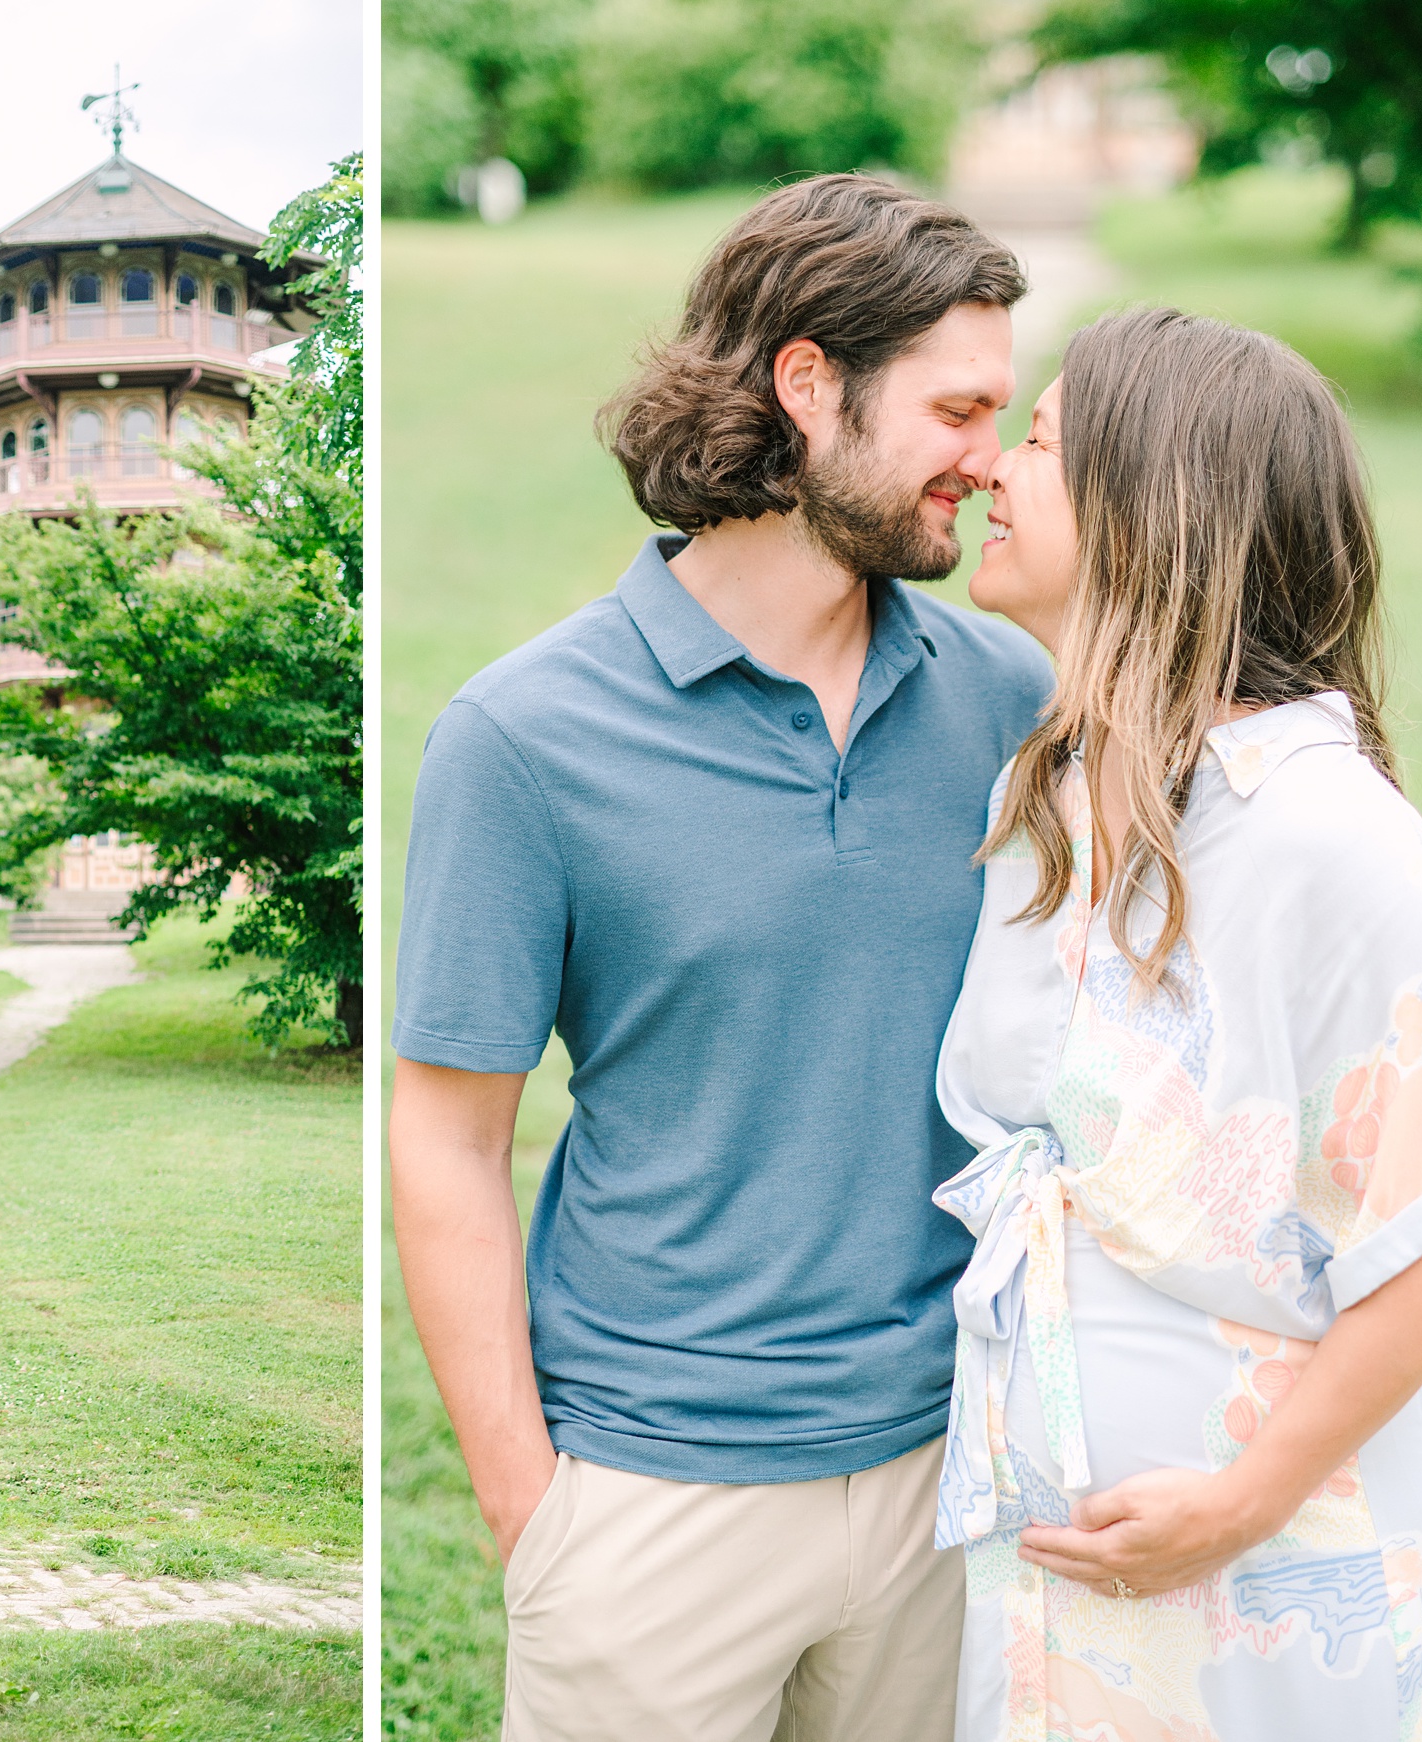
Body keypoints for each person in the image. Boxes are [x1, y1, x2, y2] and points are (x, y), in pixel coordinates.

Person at [389, 173, 1054, 1740]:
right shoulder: (522, 736)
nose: (993, 460)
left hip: (943, 1475)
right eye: (958, 408)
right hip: (648, 1496)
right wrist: (526, 1503)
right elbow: (446, 1133)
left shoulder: (1008, 698)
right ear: (808, 383)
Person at [936, 306, 1422, 1737]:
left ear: (1154, 513)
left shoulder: (1329, 836)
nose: (990, 476)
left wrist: (1234, 1504)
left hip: (1282, 1580)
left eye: (1034, 442)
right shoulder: (1053, 792)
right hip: (1062, 1574)